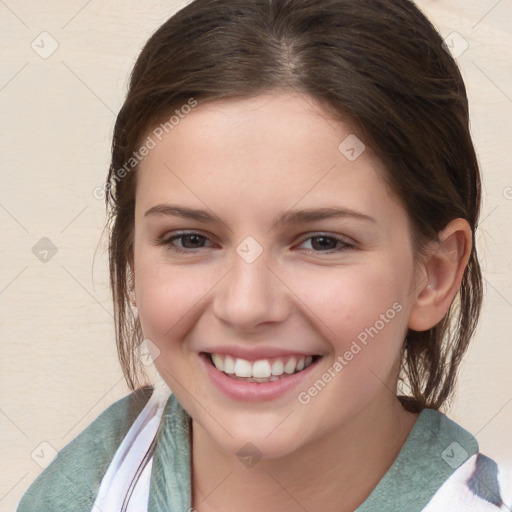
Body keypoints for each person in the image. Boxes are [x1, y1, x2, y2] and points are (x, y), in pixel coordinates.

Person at [17, 0, 508, 510]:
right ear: (130, 262)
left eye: (322, 242)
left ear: (433, 276)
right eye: (190, 239)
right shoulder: (76, 491)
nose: (246, 306)